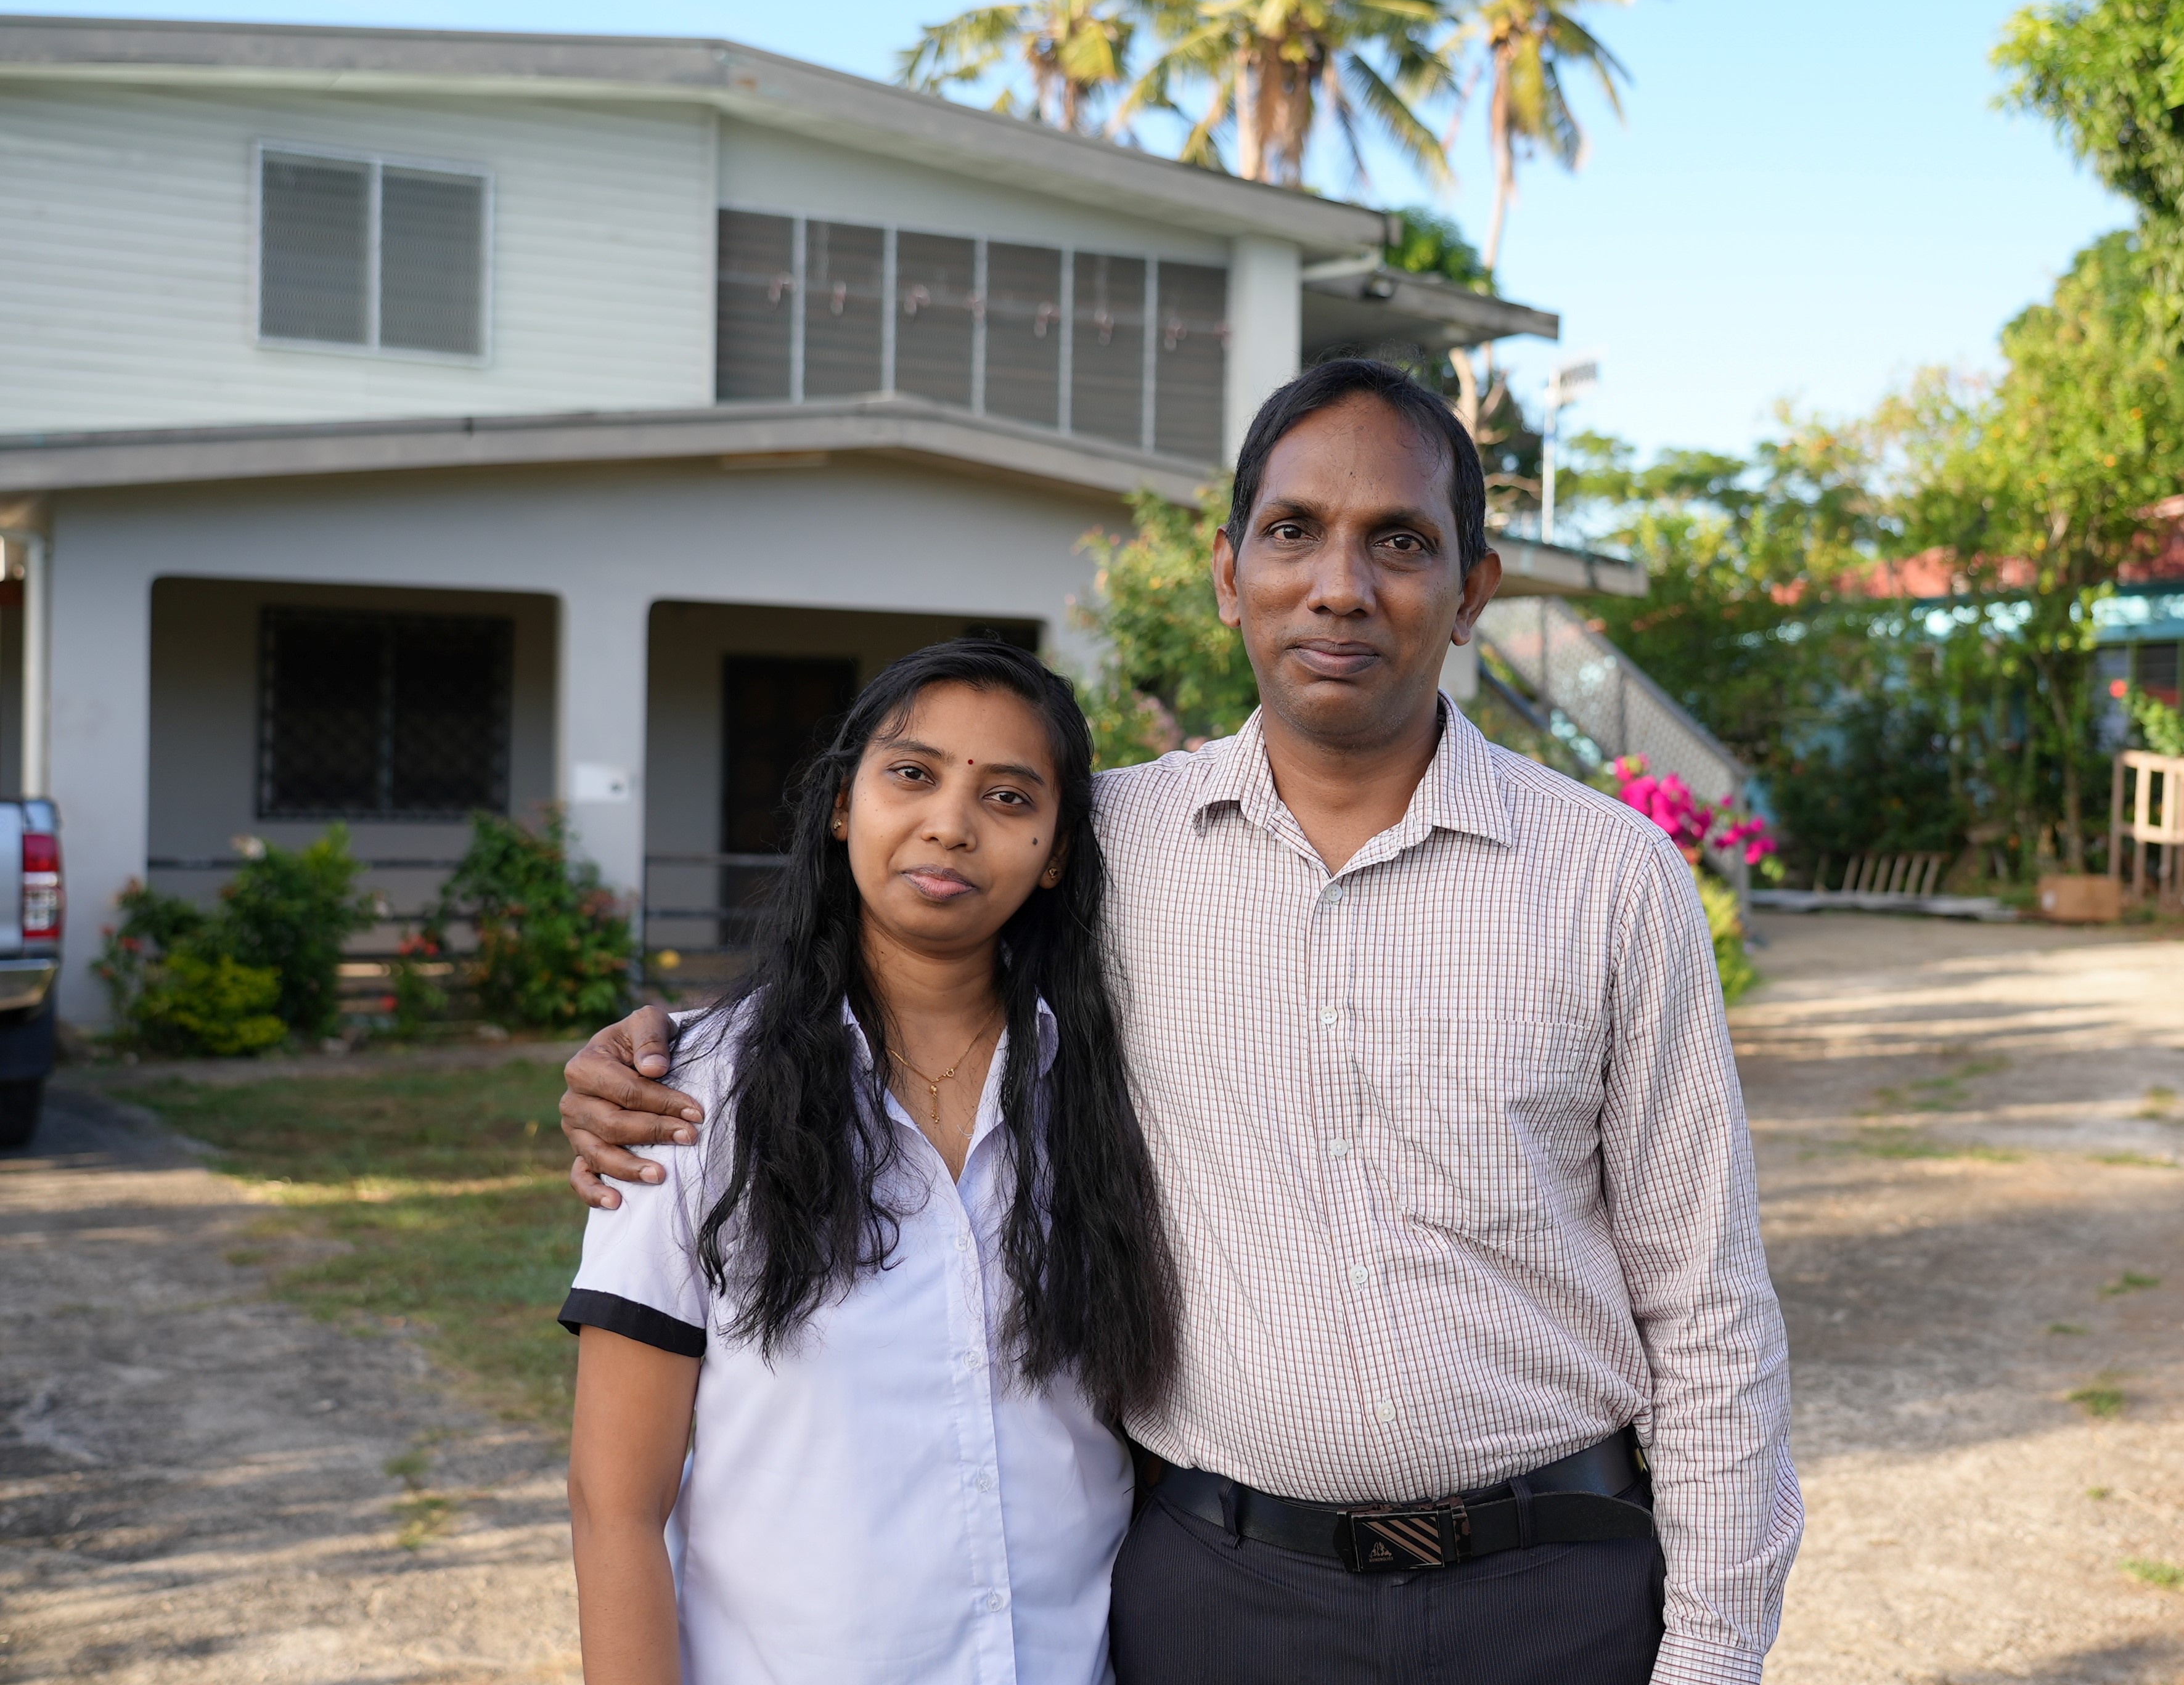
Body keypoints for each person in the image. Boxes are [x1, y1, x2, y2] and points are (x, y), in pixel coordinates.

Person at [563, 358, 1802, 1684]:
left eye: (1399, 541)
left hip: (1552, 1597)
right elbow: (903, 946)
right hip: (1222, 1600)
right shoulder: (1108, 845)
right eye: (1292, 531)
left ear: (1472, 591)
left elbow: (1708, 1307)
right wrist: (658, 1057)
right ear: (1228, 573)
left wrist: (1711, 1658)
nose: (1340, 586)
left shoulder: (1610, 879)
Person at [560, 639, 1177, 1685]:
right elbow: (615, 1503)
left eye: (1009, 798)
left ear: (1057, 853)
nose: (951, 823)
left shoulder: (1118, 1092)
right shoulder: (690, 1095)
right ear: (844, 804)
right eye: (912, 774)